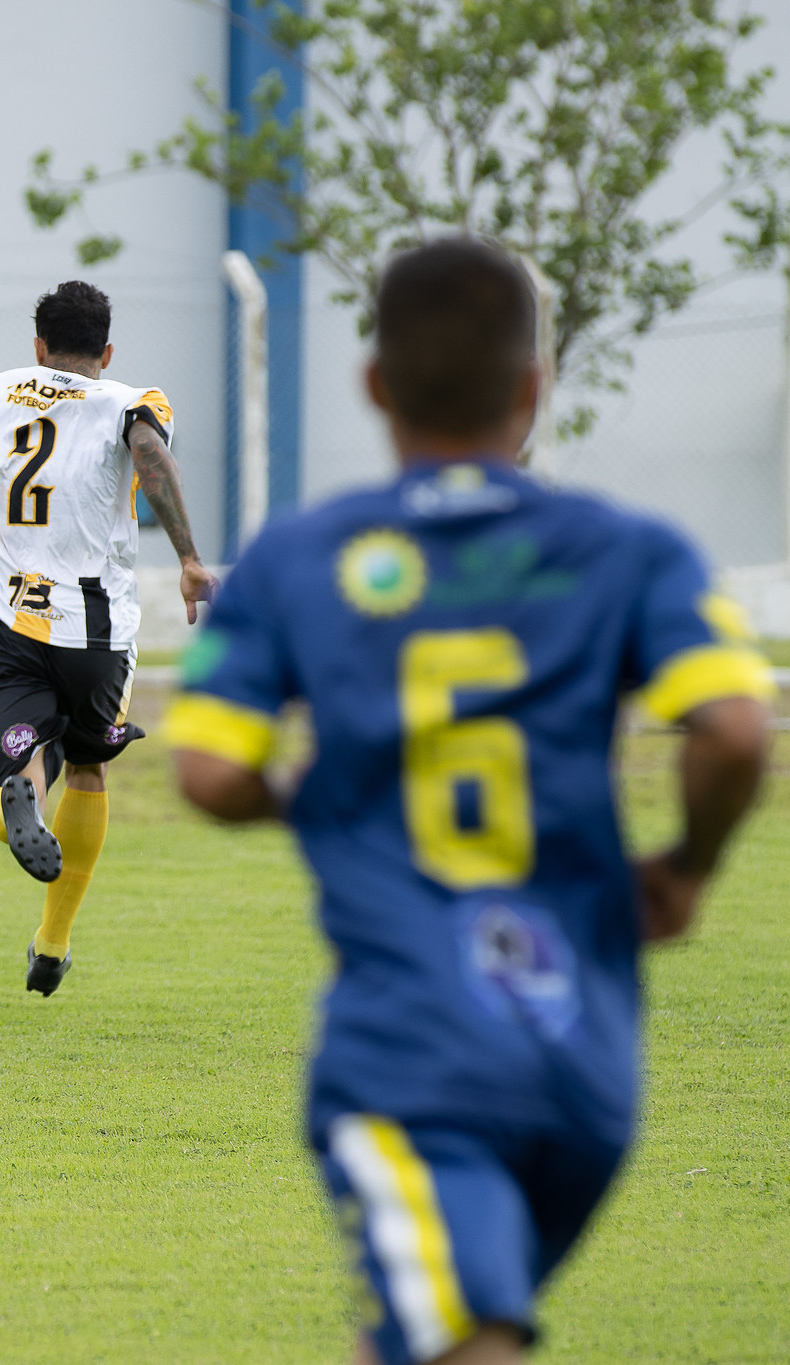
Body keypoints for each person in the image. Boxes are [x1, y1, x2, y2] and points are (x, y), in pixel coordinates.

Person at [166, 238, 774, 1365]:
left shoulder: (300, 556)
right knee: (423, 1328)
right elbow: (735, 727)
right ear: (533, 389)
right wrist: (687, 865)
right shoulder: (631, 550)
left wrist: (318, 797)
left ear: (373, 386)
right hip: (584, 1060)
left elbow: (206, 770)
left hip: (415, 1061)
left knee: (462, 1337)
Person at [0, 280, 218, 996]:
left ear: (39, 346)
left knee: (17, 772)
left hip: (9, 620)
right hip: (98, 632)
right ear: (106, 352)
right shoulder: (134, 401)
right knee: (88, 768)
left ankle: (18, 794)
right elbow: (150, 454)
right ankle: (52, 944)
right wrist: (190, 558)